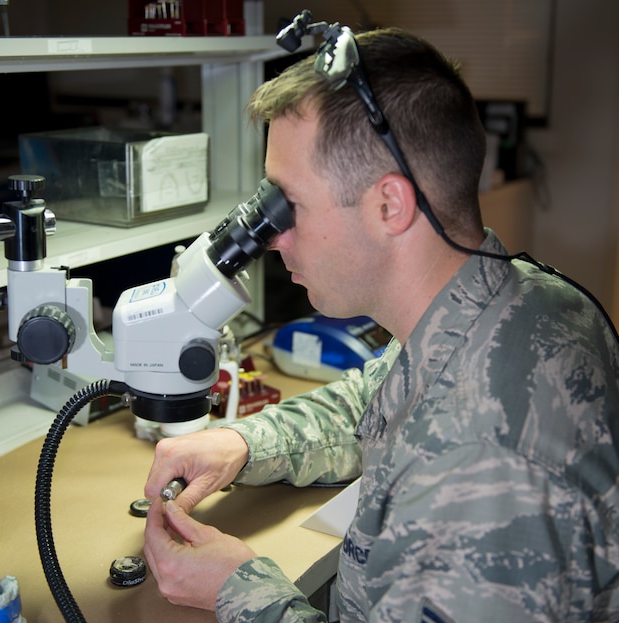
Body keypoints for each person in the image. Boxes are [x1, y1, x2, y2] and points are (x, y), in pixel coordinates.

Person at [142, 22, 619, 623]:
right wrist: (242, 442)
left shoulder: (488, 463)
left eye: (289, 204)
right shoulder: (519, 302)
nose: (273, 238)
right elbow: (379, 402)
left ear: (390, 206)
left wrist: (239, 590)